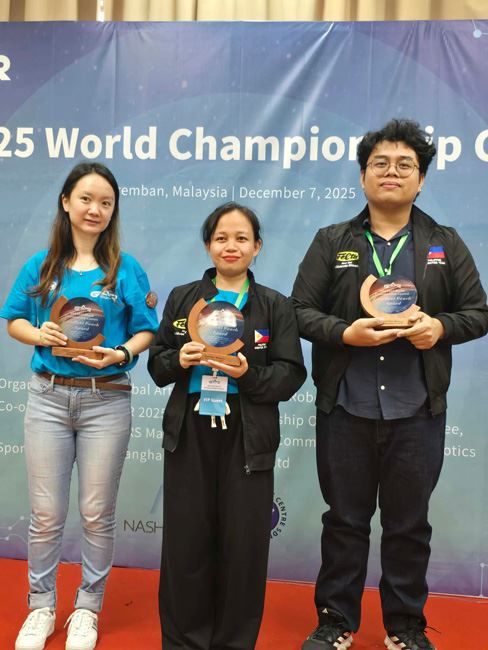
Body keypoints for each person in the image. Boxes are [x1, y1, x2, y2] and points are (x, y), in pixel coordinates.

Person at [292, 119, 488, 650]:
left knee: (408, 525)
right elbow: (299, 311)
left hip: (417, 410)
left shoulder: (444, 243)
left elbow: (478, 312)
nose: (392, 172)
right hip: (346, 407)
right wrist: (344, 333)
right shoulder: (332, 241)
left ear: (421, 180)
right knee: (345, 521)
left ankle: (405, 627)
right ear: (363, 176)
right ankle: (335, 621)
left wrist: (439, 328)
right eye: (380, 163)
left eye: (405, 164)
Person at [0, 162, 159, 650]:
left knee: (95, 512)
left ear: (113, 212)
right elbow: (13, 321)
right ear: (66, 202)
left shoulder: (125, 268)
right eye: (86, 199)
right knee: (46, 513)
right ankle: (41, 606)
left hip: (105, 399)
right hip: (48, 398)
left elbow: (147, 330)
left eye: (106, 203)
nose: (95, 209)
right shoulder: (42, 266)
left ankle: (87, 608)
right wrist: (39, 333)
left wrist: (121, 353)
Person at [148, 201, 306, 650]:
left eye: (241, 238)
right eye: (221, 238)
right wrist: (178, 359)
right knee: (186, 543)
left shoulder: (274, 305)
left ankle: (234, 642)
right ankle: (184, 641)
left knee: (243, 547)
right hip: (190, 430)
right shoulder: (183, 299)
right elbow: (157, 366)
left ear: (258, 246)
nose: (230, 246)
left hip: (247, 433)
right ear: (207, 245)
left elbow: (291, 374)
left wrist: (248, 375)